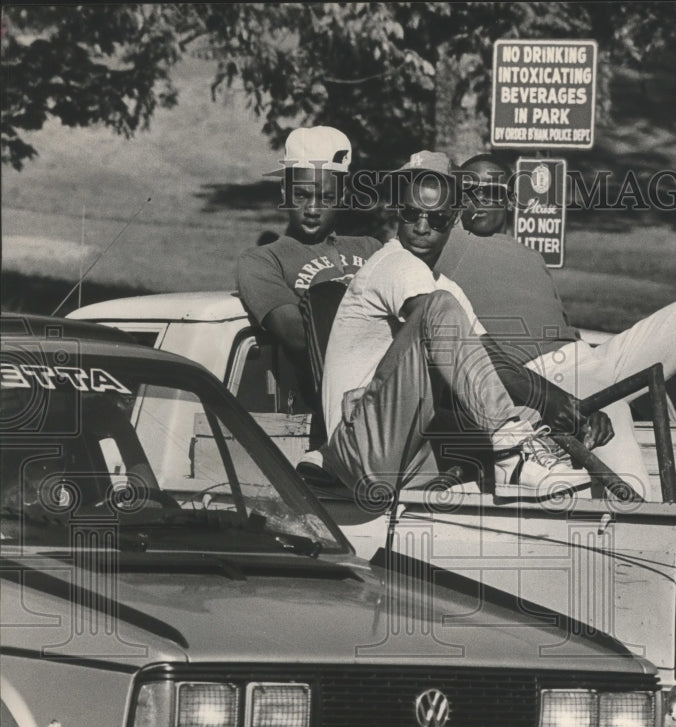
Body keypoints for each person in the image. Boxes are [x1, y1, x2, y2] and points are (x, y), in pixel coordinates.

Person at [440, 153, 676, 499]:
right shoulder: (447, 244)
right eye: (466, 190)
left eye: (489, 191)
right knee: (631, 492)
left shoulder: (530, 254)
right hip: (551, 380)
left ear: (508, 197)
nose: (476, 200)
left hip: (592, 359)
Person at [311, 151, 608, 498]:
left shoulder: (444, 287)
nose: (421, 227)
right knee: (441, 311)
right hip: (359, 450)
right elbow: (441, 324)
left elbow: (494, 364)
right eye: (411, 214)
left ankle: (518, 455)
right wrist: (544, 408)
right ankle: (512, 457)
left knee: (522, 418)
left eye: (436, 220)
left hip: (405, 455)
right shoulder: (394, 265)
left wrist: (568, 406)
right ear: (397, 214)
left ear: (453, 222)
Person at [236, 126, 382, 447]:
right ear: (285, 193)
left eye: (326, 196)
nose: (313, 209)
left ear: (342, 196)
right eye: (302, 195)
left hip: (386, 409)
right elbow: (298, 335)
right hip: (316, 422)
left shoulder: (370, 248)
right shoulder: (263, 260)